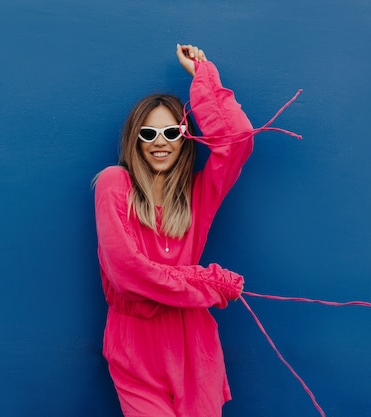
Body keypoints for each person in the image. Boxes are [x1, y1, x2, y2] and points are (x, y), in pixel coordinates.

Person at [94, 43, 254, 417]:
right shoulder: (114, 183)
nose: (160, 142)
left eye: (171, 131)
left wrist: (203, 77)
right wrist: (206, 283)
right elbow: (126, 274)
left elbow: (238, 140)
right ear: (135, 141)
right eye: (148, 135)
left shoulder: (199, 194)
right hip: (136, 350)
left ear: (186, 137)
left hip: (194, 349)